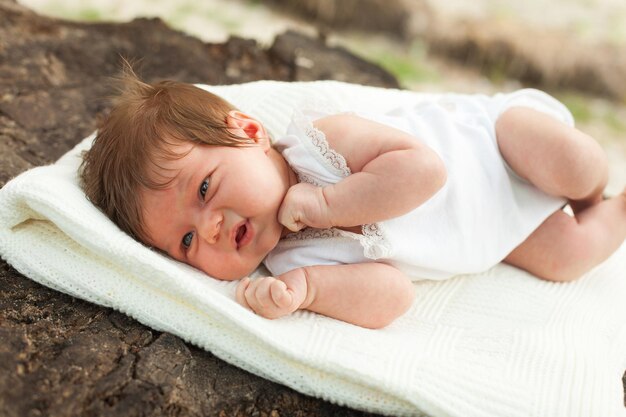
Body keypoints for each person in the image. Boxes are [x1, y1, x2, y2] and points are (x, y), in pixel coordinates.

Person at [80, 67, 626, 329]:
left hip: (494, 146)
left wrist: (326, 206)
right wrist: (309, 290)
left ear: (248, 132)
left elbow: (425, 172)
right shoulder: (290, 260)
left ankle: (592, 187)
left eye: (204, 189)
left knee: (575, 165)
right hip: (490, 233)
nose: (213, 228)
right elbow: (393, 294)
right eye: (188, 240)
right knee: (567, 258)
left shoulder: (320, 146)